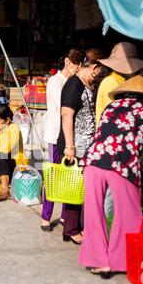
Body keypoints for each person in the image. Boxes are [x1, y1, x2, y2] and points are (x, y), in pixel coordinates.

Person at [78, 75, 143, 279]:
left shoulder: (112, 106)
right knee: (128, 214)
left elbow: (104, 132)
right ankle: (121, 261)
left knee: (94, 214)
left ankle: (100, 263)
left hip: (93, 161)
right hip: (122, 164)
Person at [94, 42, 143, 233]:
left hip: (112, 149)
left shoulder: (116, 82)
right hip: (112, 151)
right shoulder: (113, 84)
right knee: (111, 201)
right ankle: (110, 239)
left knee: (111, 200)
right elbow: (120, 120)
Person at [56, 48, 105, 245]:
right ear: (94, 67)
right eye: (101, 70)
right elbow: (66, 114)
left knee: (78, 186)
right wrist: (70, 146)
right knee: (73, 187)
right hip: (74, 144)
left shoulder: (85, 84)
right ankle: (71, 229)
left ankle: (71, 225)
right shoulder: (74, 84)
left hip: (85, 144)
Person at [40, 48, 83, 232]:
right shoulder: (55, 82)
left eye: (80, 64)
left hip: (70, 136)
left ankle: (66, 216)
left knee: (70, 177)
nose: (77, 67)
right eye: (75, 63)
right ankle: (45, 217)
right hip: (56, 135)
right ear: (67, 61)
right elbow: (64, 109)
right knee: (55, 176)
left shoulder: (74, 82)